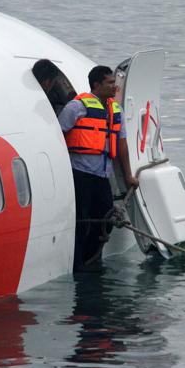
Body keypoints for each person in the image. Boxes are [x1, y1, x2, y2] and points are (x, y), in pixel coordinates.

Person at [58, 65, 139, 272]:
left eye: (115, 82)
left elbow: (121, 145)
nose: (115, 87)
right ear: (97, 85)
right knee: (81, 221)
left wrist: (128, 175)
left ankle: (89, 259)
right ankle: (76, 265)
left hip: (102, 175)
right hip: (80, 173)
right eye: (110, 83)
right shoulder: (77, 108)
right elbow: (57, 135)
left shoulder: (115, 110)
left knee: (105, 220)